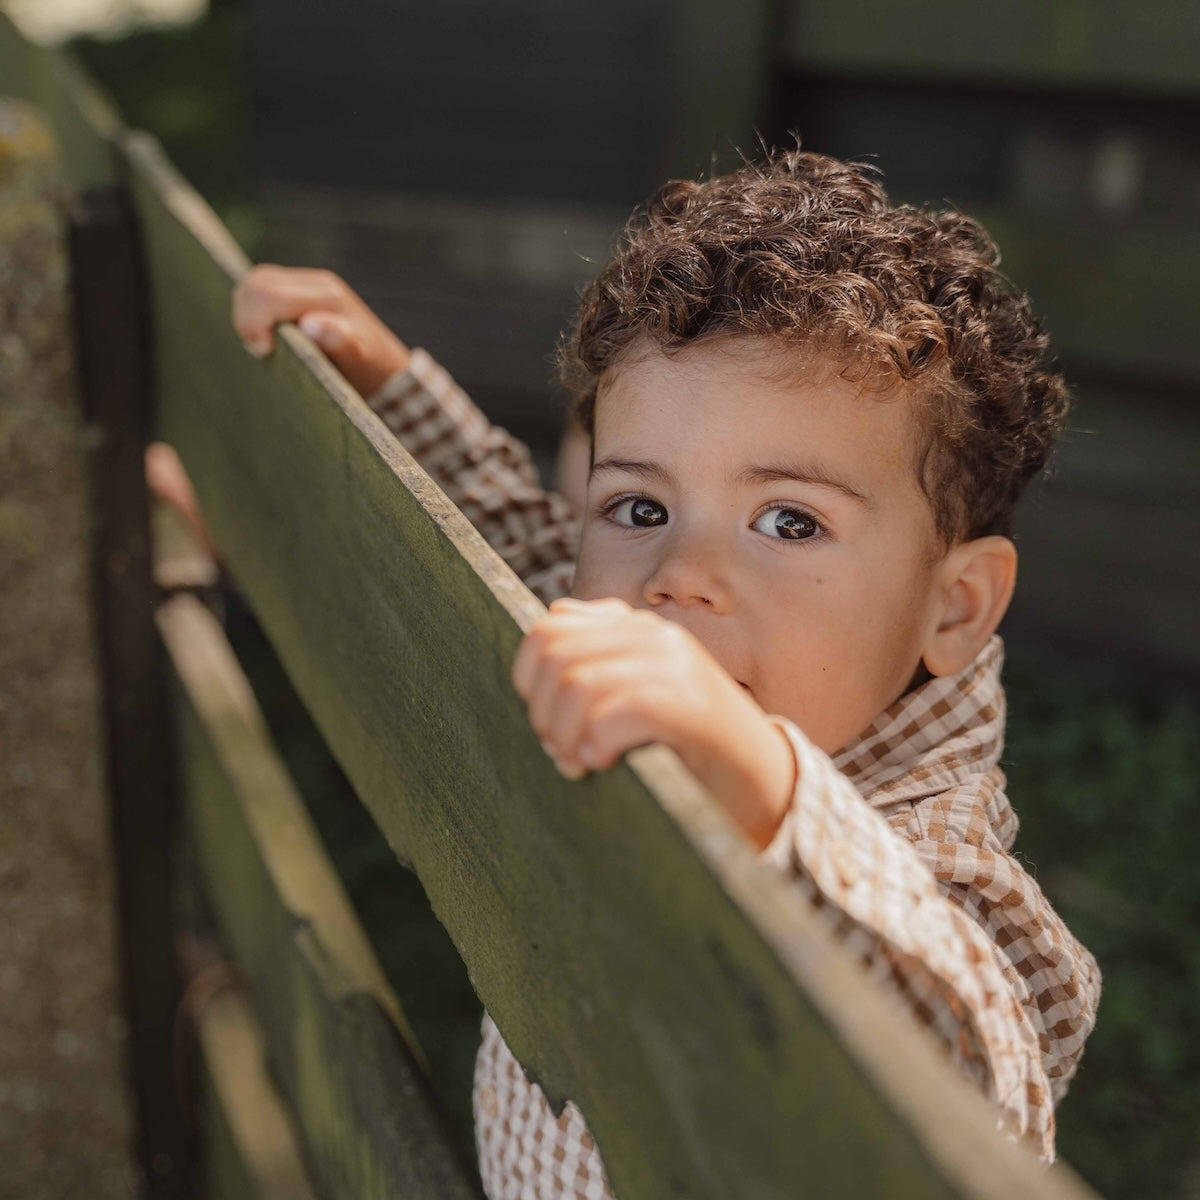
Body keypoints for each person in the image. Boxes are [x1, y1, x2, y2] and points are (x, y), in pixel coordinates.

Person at [230, 148, 1100, 1199]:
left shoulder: (942, 861)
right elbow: (530, 547)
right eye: (640, 508)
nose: (681, 577)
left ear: (952, 607)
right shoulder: (632, 631)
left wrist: (760, 785)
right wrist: (387, 383)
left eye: (789, 521)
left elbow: (966, 1070)